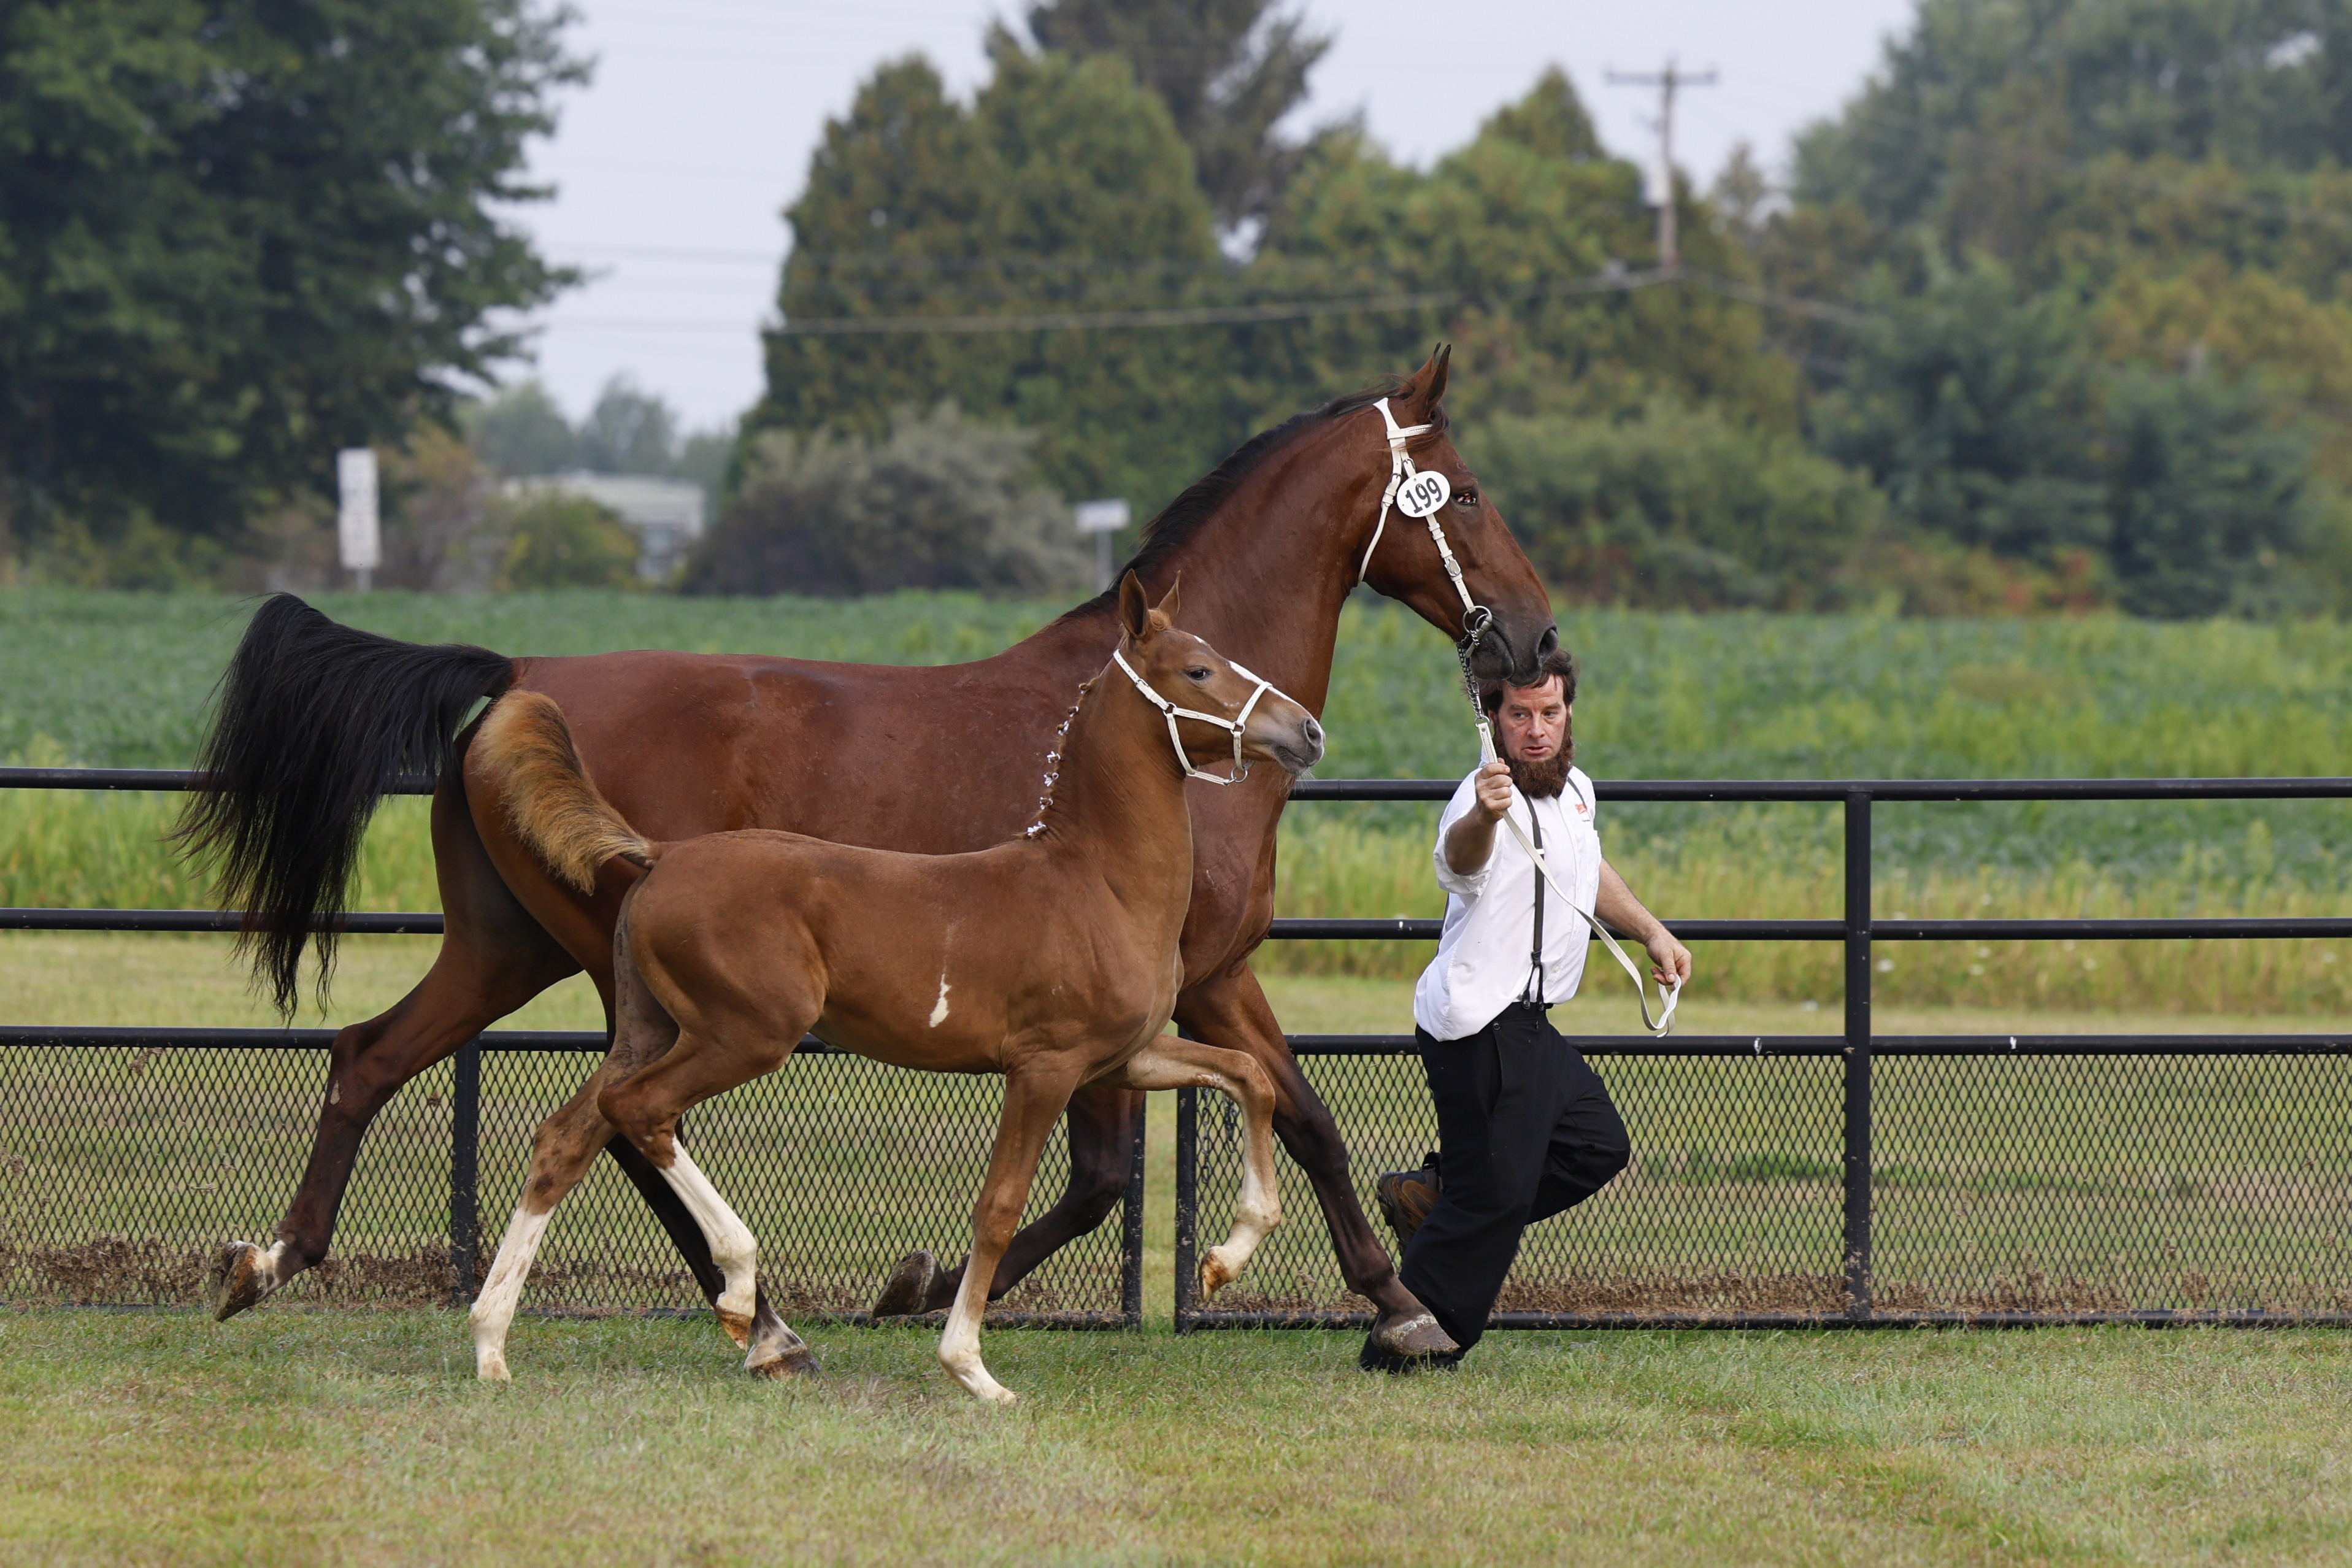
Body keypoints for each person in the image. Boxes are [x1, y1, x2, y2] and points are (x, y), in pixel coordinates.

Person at [1365, 648, 1692, 1370]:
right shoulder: (1479, 799)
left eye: (1550, 712)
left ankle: (1435, 1198)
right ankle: (1404, 1344)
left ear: (1568, 712)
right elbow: (1458, 862)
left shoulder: (1576, 789)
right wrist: (1483, 813)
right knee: (1498, 1195)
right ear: (1494, 722)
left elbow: (1585, 865)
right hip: (1476, 1024)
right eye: (1520, 715)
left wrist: (1651, 931)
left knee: (1596, 1145)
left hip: (1535, 1024)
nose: (1537, 729)